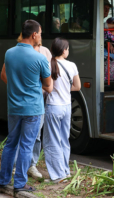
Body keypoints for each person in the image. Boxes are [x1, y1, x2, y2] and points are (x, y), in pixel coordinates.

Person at [0, 20, 52, 193]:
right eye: (41, 33)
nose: (41, 37)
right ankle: (20, 183)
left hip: (14, 107)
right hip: (33, 109)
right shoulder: (40, 58)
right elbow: (49, 86)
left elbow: (4, 76)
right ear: (34, 34)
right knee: (27, 146)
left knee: (11, 144)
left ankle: (3, 180)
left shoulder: (9, 53)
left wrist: (17, 84)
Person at [43, 38, 81, 183]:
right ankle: (65, 171)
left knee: (52, 141)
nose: (68, 51)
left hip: (54, 106)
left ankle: (57, 175)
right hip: (67, 107)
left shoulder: (48, 64)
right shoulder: (72, 65)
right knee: (64, 140)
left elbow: (47, 87)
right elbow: (77, 87)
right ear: (63, 50)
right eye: (68, 48)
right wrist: (65, 89)